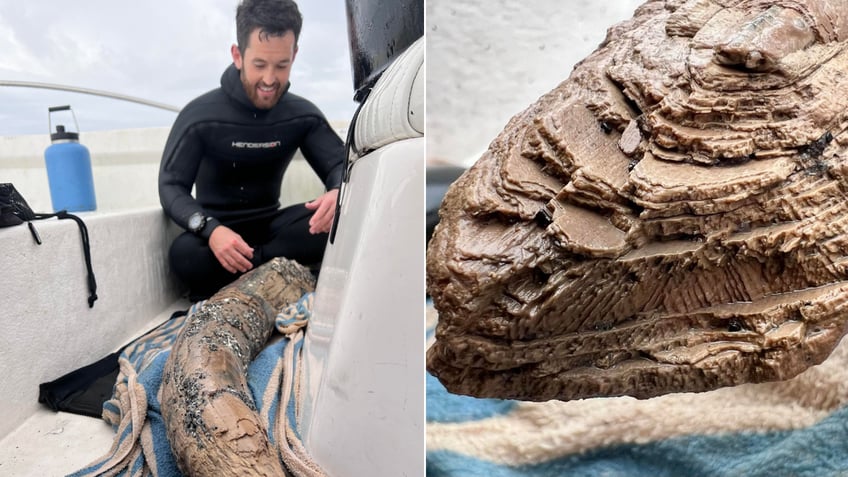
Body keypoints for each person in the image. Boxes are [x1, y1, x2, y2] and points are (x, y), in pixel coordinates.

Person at [158, 0, 344, 300]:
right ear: (237, 55)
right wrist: (210, 229)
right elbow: (171, 185)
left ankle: (250, 274)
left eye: (281, 65)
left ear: (294, 54)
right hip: (217, 236)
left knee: (339, 221)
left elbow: (340, 166)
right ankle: (274, 275)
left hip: (272, 230)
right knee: (184, 255)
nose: (270, 79)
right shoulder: (201, 116)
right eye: (260, 65)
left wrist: (337, 192)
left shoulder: (301, 115)